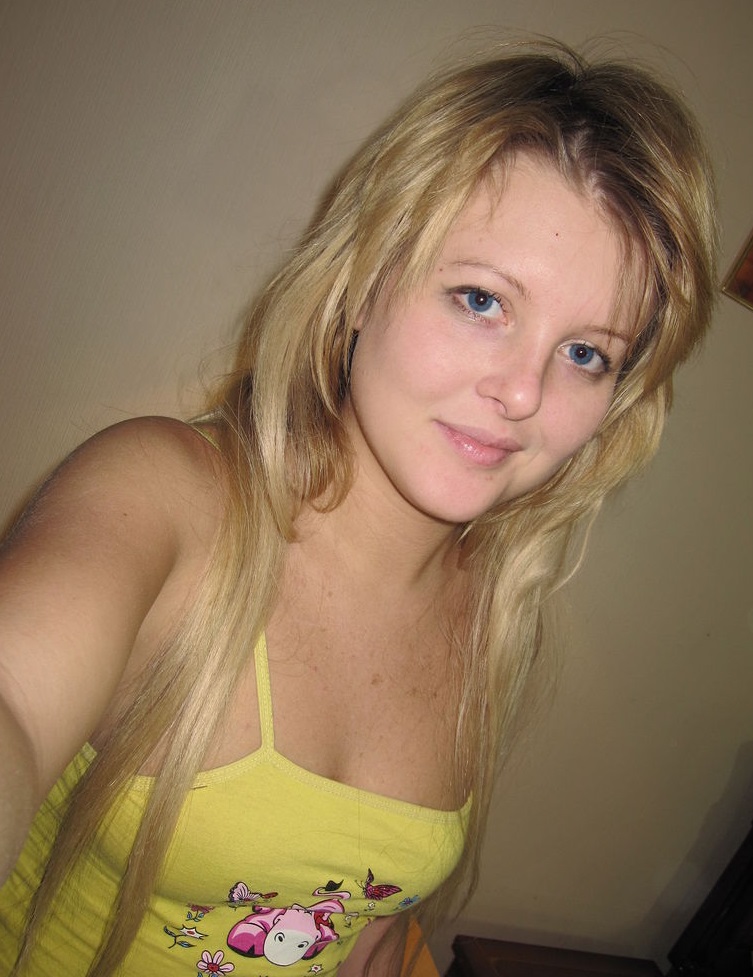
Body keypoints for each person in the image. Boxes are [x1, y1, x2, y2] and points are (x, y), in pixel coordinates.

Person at [0, 39, 717, 977]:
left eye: (586, 353)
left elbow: (363, 925)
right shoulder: (162, 496)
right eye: (480, 300)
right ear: (359, 285)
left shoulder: (493, 612)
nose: (522, 391)